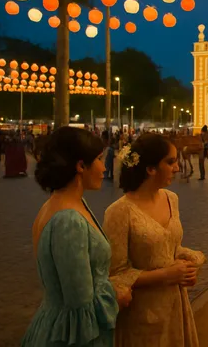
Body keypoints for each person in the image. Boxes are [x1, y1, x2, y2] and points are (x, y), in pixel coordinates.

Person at [22, 127, 130, 346]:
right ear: (81, 166)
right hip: (72, 336)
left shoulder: (67, 204)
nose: (104, 167)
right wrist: (117, 297)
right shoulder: (68, 220)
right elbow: (80, 305)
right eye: (99, 159)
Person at [104, 133, 205, 347]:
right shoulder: (119, 212)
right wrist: (166, 274)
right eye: (170, 162)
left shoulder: (171, 199)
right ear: (150, 169)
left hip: (176, 305)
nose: (177, 168)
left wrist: (187, 268)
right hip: (142, 315)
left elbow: (171, 247)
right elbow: (115, 275)